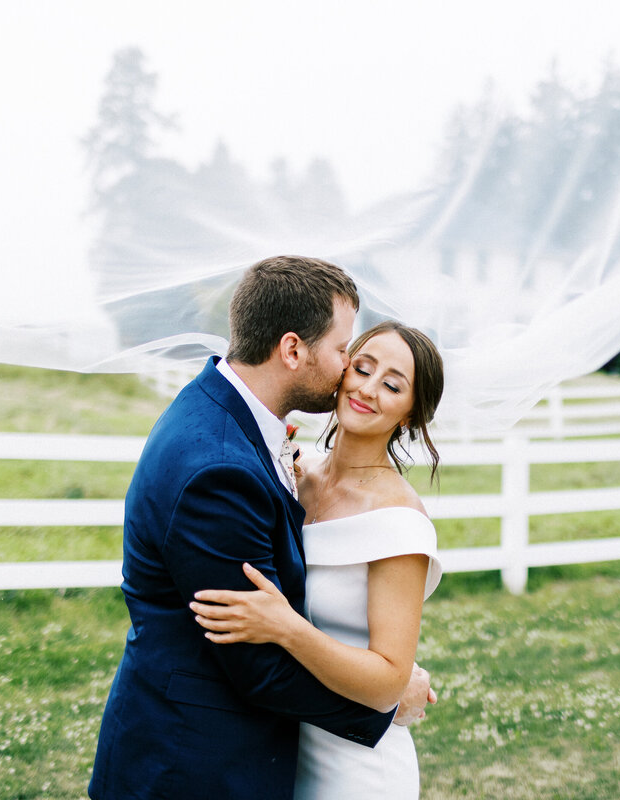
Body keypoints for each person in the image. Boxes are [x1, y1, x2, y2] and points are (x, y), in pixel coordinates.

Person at [88, 256, 433, 800]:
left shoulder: (226, 417)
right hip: (193, 765)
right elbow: (259, 669)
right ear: (293, 349)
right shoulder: (220, 466)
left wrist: (383, 679)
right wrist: (385, 703)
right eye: (346, 351)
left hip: (284, 758)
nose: (350, 371)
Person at [190, 319, 445, 799]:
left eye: (392, 385)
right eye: (362, 368)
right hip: (282, 749)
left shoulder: (399, 521)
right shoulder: (297, 475)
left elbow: (388, 683)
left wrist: (286, 628)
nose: (368, 389)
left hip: (358, 767)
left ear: (409, 414)